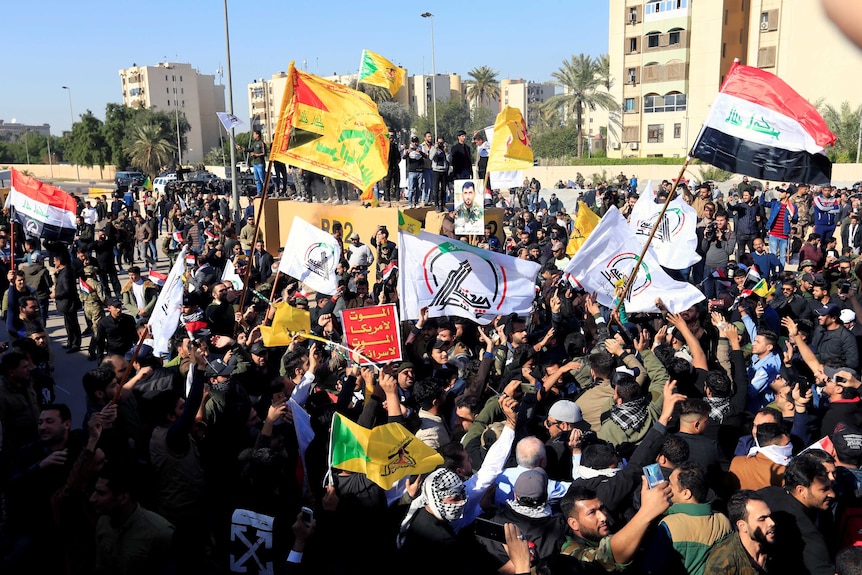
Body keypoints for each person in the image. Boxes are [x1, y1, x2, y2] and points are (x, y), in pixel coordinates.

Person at [703, 490, 776, 575]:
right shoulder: (722, 562)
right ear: (742, 526)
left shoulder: (775, 549)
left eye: (770, 516)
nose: (772, 523)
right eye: (762, 519)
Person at [52, 251, 82, 353]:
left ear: (59, 261)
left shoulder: (67, 273)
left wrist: (56, 295)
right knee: (68, 324)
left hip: (69, 303)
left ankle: (75, 343)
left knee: (73, 324)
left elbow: (67, 290)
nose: (54, 263)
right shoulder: (64, 271)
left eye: (55, 261)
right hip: (66, 304)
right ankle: (70, 341)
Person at [237, 130, 267, 196]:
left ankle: (265, 193)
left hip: (260, 163)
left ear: (257, 135)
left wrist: (256, 155)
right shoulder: (254, 143)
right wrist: (241, 148)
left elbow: (264, 153)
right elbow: (250, 149)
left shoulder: (261, 143)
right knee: (257, 179)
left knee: (262, 179)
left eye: (254, 134)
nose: (253, 136)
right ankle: (259, 193)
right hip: (255, 164)